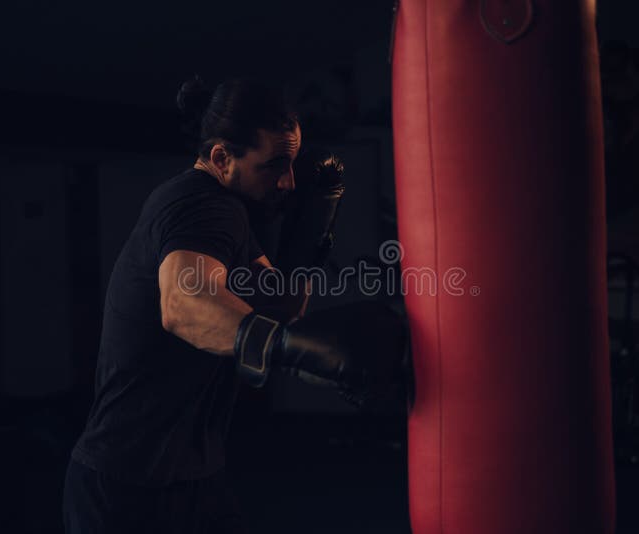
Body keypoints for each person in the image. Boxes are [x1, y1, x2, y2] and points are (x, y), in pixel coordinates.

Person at [62, 77, 407, 534]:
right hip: (129, 486)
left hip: (193, 477)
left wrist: (312, 230)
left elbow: (281, 311)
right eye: (274, 165)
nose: (288, 181)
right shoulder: (199, 205)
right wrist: (287, 348)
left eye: (291, 164)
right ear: (222, 158)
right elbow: (183, 305)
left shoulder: (231, 214)